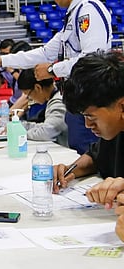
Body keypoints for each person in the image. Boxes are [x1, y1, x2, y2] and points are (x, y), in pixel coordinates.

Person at [0, 0, 111, 155]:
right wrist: (2, 60)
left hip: (91, 99)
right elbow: (44, 53)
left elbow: (92, 59)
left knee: (91, 154)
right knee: (80, 150)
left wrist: (52, 69)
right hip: (76, 100)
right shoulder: (74, 14)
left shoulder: (89, 9)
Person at [52, 51, 124, 241]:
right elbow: (95, 156)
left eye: (91, 117)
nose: (87, 125)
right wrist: (71, 170)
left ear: (122, 107)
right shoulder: (115, 131)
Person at [13, 69, 68, 146]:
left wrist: (19, 134)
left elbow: (47, 132)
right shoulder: (56, 97)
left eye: (28, 95)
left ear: (37, 88)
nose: (30, 99)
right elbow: (46, 126)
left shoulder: (58, 102)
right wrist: (21, 126)